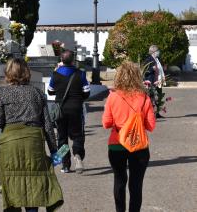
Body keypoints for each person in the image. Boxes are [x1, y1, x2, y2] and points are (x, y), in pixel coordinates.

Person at [0, 58, 64, 212]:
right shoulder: (36, 93)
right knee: (34, 185)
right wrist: (54, 151)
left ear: (8, 72)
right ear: (26, 72)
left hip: (9, 144)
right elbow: (47, 125)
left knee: (12, 184)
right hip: (33, 143)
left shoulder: (2, 94)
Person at [102, 61, 156, 212]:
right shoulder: (144, 98)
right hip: (139, 145)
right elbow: (151, 126)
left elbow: (106, 123)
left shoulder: (113, 97)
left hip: (117, 143)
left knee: (119, 181)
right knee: (136, 185)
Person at [47, 50, 90, 173]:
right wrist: (79, 98)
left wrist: (59, 91)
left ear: (61, 60)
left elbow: (50, 91)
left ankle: (65, 165)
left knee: (62, 137)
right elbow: (87, 92)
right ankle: (78, 155)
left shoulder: (55, 74)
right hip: (76, 109)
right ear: (73, 60)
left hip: (60, 110)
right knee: (78, 135)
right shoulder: (80, 74)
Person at [143, 45, 166, 118]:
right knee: (152, 98)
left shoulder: (157, 59)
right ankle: (150, 114)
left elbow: (159, 69)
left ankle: (157, 113)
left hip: (158, 81)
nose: (159, 52)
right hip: (152, 82)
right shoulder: (148, 60)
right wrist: (151, 69)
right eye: (157, 50)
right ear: (153, 52)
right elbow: (144, 71)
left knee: (159, 97)